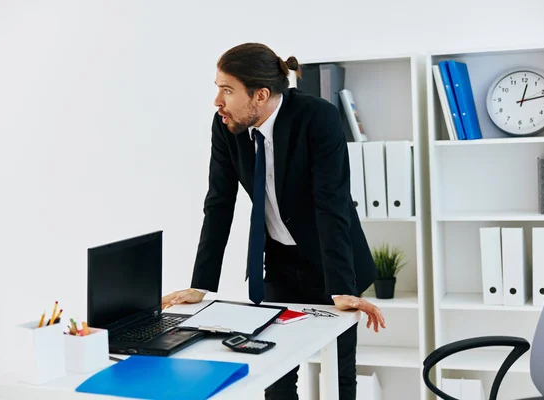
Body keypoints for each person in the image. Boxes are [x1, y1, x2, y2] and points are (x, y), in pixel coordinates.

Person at [162, 42, 386, 400]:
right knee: (276, 373)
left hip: (332, 262)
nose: (217, 101)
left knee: (338, 375)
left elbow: (332, 204)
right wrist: (200, 284)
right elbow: (219, 204)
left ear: (260, 95)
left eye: (227, 90)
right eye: (218, 88)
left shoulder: (318, 117)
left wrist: (342, 288)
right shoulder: (226, 126)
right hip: (280, 264)